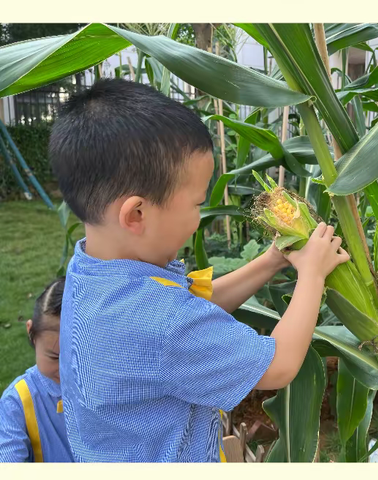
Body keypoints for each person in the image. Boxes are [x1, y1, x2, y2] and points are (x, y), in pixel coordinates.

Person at [49, 78, 349, 462]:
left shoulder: (93, 273)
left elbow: (192, 303)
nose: (199, 218)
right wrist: (313, 275)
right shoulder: (158, 322)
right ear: (137, 213)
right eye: (196, 203)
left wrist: (271, 260)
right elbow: (277, 366)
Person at [0, 277, 73, 462]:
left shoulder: (113, 387)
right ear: (32, 334)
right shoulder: (16, 404)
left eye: (79, 358)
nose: (66, 370)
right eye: (55, 357)